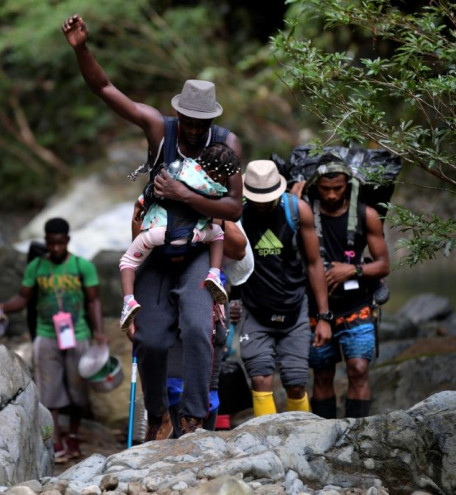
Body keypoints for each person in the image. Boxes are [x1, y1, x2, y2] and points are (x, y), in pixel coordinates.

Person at [63, 14, 243, 438]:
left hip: (199, 252)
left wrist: (184, 196)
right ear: (179, 112)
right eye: (190, 121)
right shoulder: (159, 130)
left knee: (200, 329)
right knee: (150, 339)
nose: (196, 130)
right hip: (158, 254)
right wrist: (81, 49)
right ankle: (158, 412)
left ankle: (195, 417)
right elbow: (105, 89)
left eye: (203, 123)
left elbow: (234, 207)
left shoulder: (226, 143)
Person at [0, 217, 107, 463]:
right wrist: (2, 306)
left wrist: (99, 332)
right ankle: (55, 440)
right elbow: (23, 298)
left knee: (78, 391)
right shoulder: (36, 268)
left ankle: (73, 437)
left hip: (79, 335)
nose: (55, 248)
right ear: (46, 241)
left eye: (60, 243)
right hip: (46, 336)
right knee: (49, 392)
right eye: (51, 243)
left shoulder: (81, 266)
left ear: (67, 241)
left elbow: (94, 300)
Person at [237, 160, 332, 417]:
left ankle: (301, 442)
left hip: (294, 307)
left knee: (296, 382)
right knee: (260, 379)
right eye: (257, 198)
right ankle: (264, 446)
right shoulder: (237, 213)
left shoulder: (297, 210)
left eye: (267, 198)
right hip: (254, 308)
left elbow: (314, 263)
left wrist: (323, 317)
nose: (262, 203)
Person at [300, 163, 391, 418]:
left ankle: (359, 435)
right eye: (325, 188)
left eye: (337, 188)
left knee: (359, 368)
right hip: (315, 308)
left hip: (357, 304)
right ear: (316, 187)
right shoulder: (305, 213)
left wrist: (353, 270)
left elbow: (384, 265)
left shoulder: (366, 215)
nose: (331, 195)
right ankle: (324, 435)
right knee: (322, 372)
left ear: (348, 186)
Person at [119, 143, 241, 330]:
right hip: (192, 235)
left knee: (127, 262)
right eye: (224, 178)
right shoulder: (214, 189)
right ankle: (214, 274)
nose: (223, 182)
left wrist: (140, 204)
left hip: (157, 232)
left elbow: (151, 191)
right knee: (217, 234)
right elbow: (227, 209)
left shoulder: (179, 168)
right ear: (217, 175)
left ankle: (128, 301)